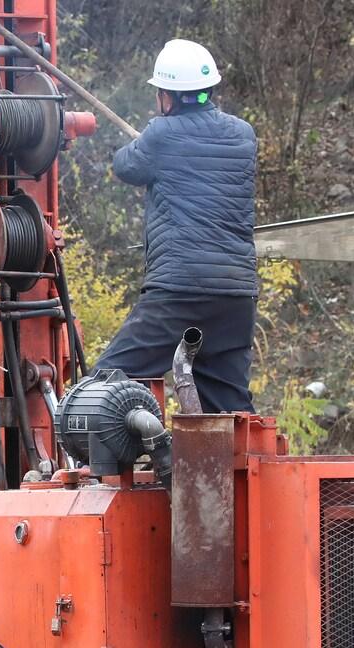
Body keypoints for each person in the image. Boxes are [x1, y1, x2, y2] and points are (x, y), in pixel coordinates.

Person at [92, 38, 259, 414]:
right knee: (228, 409)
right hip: (235, 298)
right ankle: (239, 472)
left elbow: (125, 166)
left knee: (103, 383)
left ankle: (131, 457)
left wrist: (150, 138)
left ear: (166, 96)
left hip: (178, 293)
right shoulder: (243, 135)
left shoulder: (161, 135)